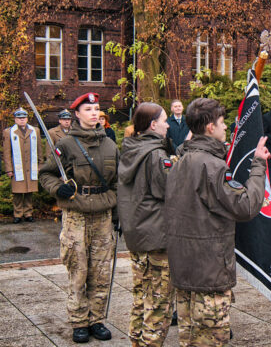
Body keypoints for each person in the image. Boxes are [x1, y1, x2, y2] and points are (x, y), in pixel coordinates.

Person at [164, 98, 270, 346]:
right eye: (222, 123)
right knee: (210, 339)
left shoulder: (182, 160)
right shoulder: (211, 165)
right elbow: (245, 206)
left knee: (189, 337)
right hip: (208, 269)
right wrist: (258, 165)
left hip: (185, 265)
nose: (227, 128)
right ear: (210, 127)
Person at [39, 92, 119, 343]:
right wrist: (57, 188)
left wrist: (119, 216)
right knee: (78, 269)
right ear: (77, 114)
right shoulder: (66, 144)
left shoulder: (110, 145)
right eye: (88, 109)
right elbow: (46, 174)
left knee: (101, 270)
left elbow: (118, 183)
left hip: (103, 215)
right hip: (76, 214)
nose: (94, 113)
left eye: (97, 109)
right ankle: (79, 321)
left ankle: (97, 320)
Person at [118, 102, 175, 347]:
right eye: (164, 120)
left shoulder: (130, 149)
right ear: (153, 125)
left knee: (141, 297)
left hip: (137, 235)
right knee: (159, 302)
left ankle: (136, 341)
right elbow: (168, 191)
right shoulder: (155, 154)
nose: (168, 124)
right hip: (156, 238)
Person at [3, 108, 43, 223]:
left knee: (29, 191)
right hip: (17, 168)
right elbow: (7, 152)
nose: (22, 120)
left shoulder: (35, 130)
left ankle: (28, 213)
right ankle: (18, 214)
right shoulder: (9, 132)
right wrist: (9, 169)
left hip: (31, 167)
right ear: (15, 119)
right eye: (19, 118)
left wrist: (40, 165)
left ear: (27, 119)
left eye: (24, 118)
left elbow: (39, 149)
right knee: (18, 193)